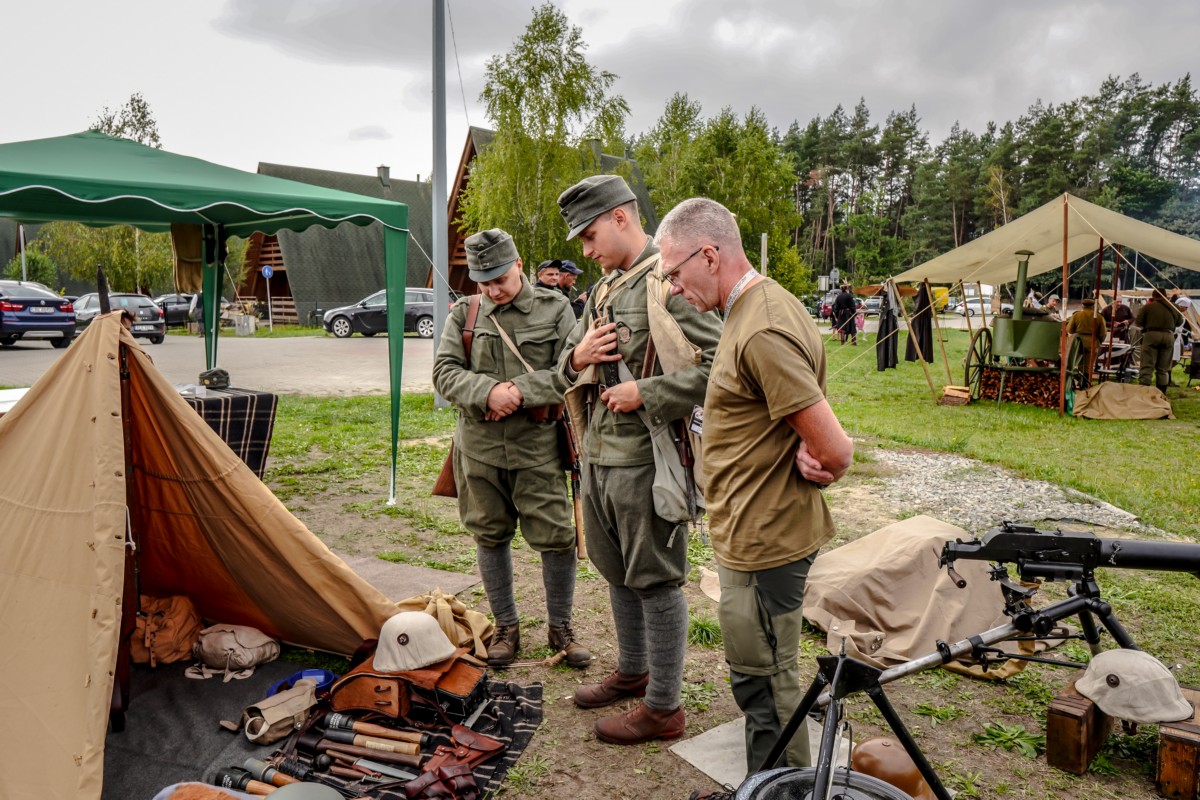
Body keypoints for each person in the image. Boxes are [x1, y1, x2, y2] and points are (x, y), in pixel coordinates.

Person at [656, 198, 853, 781]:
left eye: (673, 272)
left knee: (767, 681)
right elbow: (789, 405)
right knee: (760, 675)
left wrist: (824, 456)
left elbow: (836, 448)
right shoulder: (754, 311)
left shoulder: (760, 324)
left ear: (709, 255)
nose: (671, 288)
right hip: (751, 527)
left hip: (765, 537)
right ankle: (766, 784)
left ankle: (782, 791)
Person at [556, 174, 722, 745]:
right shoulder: (604, 290)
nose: (585, 249)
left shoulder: (665, 281)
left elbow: (724, 363)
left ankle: (664, 707)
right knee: (616, 570)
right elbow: (565, 366)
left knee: (655, 580)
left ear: (621, 218)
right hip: (598, 458)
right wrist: (576, 355)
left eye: (590, 233)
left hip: (646, 461)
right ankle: (634, 669)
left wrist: (647, 393)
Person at [431, 229, 591, 669]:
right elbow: (444, 372)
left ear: (519, 264)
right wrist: (487, 392)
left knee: (557, 539)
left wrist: (517, 391)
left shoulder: (556, 308)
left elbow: (572, 368)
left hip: (536, 449)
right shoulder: (466, 312)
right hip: (479, 450)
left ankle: (560, 627)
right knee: (489, 534)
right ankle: (506, 626)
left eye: (498, 278)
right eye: (483, 281)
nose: (491, 289)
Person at [1136, 288, 1183, 393]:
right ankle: (1161, 393)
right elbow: (1179, 322)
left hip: (1151, 335)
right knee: (1163, 368)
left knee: (1147, 365)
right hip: (1168, 336)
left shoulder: (1148, 307)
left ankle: (1144, 392)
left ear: (1153, 296)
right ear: (1165, 295)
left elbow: (1138, 322)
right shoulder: (1174, 307)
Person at [1066, 297, 1107, 383]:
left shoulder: (1076, 315)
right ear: (1093, 306)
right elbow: (1103, 333)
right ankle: (1085, 384)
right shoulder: (1099, 317)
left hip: (1078, 343)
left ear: (1083, 306)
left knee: (1076, 363)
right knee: (1088, 366)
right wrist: (1099, 342)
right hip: (1092, 342)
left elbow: (1069, 329)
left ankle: (1075, 381)